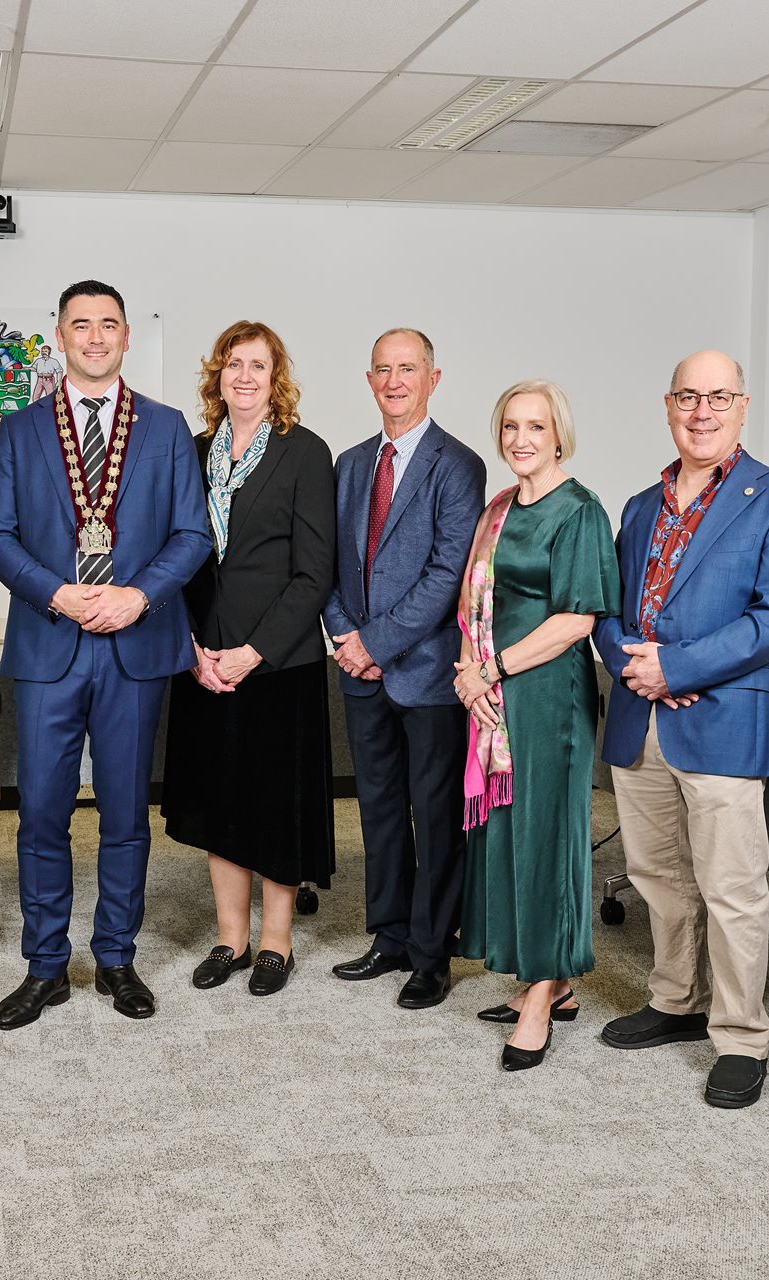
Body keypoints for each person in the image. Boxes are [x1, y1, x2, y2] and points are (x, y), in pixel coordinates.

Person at [0, 279, 211, 1029]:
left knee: (124, 814)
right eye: (82, 325)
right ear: (60, 337)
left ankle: (116, 957)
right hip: (51, 642)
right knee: (41, 813)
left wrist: (137, 596)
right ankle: (46, 967)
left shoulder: (170, 428)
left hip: (135, 645)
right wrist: (55, 592)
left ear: (127, 336)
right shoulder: (19, 431)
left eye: (109, 324)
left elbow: (192, 537)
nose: (96, 336)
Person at [595, 349, 769, 1109]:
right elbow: (608, 610)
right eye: (689, 396)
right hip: (639, 715)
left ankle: (740, 1035)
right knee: (660, 875)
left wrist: (678, 668)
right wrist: (635, 667)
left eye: (718, 397)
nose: (702, 411)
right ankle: (675, 1001)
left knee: (731, 887)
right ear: (668, 405)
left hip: (721, 719)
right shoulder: (638, 505)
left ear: (742, 407)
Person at [160, 321, 336, 997]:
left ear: (276, 378)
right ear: (217, 375)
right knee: (219, 804)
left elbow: (313, 573)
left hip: (278, 663)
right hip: (205, 659)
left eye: (258, 366)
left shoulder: (304, 453)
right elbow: (175, 557)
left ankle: (276, 943)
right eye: (234, 364)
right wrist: (197, 650)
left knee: (274, 807)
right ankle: (230, 937)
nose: (244, 377)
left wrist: (252, 653)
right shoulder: (194, 450)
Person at [448, 380, 619, 1070]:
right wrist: (467, 674)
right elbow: (471, 604)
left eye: (536, 427)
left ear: (559, 436)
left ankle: (544, 994)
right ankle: (548, 979)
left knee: (547, 837)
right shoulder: (496, 508)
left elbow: (576, 620)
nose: (521, 439)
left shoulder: (579, 511)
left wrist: (489, 672)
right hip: (493, 696)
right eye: (511, 426)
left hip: (549, 700)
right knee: (508, 836)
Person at [324, 329, 486, 1009]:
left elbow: (449, 574)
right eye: (383, 370)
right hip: (359, 672)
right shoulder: (351, 462)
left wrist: (374, 642)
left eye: (407, 369)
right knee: (381, 808)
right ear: (369, 381)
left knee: (434, 812)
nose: (395, 381)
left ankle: (430, 952)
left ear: (433, 377)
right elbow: (328, 561)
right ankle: (389, 936)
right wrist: (342, 634)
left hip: (426, 674)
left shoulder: (459, 465)